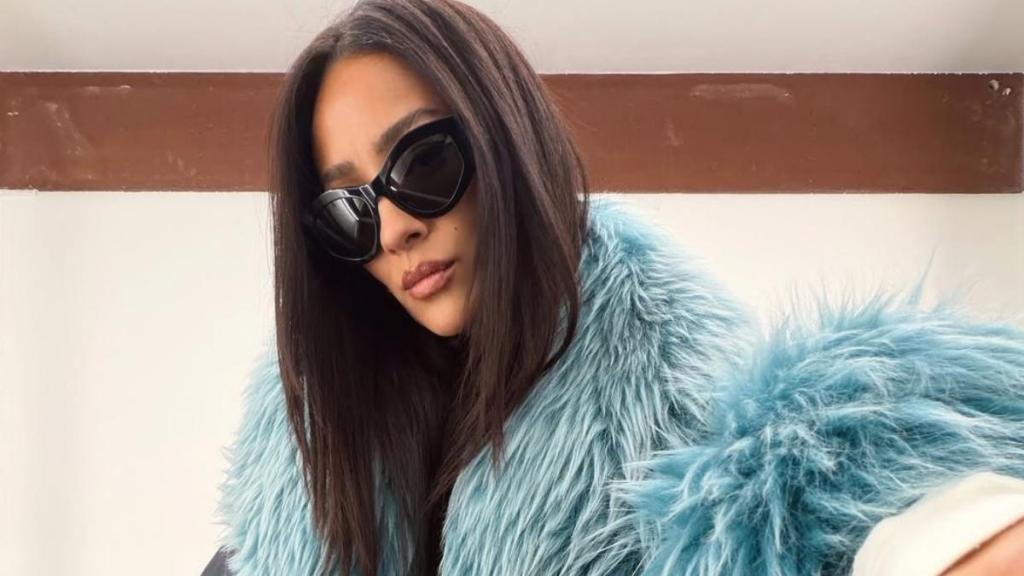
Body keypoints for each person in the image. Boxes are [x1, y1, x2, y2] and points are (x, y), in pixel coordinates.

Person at [205, 1, 1024, 574]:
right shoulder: (297, 476)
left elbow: (875, 522)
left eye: (422, 163)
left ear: (507, 136)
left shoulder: (696, 411)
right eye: (349, 210)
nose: (393, 231)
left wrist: (951, 534)